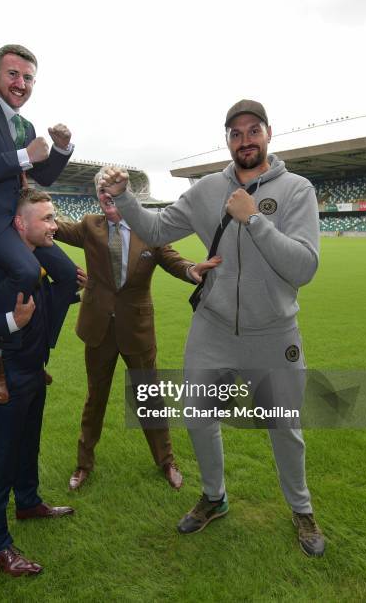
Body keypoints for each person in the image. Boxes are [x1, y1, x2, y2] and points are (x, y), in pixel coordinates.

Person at [100, 101, 325, 557]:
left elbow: (303, 267)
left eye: (253, 130)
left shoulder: (297, 190)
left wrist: (254, 218)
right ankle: (214, 497)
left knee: (284, 427)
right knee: (200, 416)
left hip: (274, 333)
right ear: (228, 140)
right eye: (236, 132)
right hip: (213, 327)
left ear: (268, 134)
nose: (246, 139)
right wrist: (125, 197)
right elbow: (157, 228)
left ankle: (301, 510)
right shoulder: (206, 190)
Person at [55, 167, 221, 491]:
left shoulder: (149, 228)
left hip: (137, 328)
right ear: (98, 196)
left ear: (124, 193)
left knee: (150, 398)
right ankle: (83, 464)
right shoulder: (90, 226)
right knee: (95, 398)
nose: (106, 196)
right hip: (98, 328)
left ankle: (166, 461)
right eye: (101, 191)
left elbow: (173, 259)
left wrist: (191, 269)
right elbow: (55, 230)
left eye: (111, 189)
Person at [0, 189, 76, 577]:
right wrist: (12, 322)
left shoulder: (36, 258)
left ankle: (27, 502)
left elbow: (47, 296)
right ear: (20, 224)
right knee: (2, 459)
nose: (55, 225)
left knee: (28, 443)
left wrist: (66, 294)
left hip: (32, 367)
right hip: (3, 374)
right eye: (47, 219)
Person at [0, 43, 78, 391]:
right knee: (25, 270)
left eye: (28, 78)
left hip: (19, 221)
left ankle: (35, 357)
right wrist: (24, 155)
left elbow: (44, 177)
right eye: (13, 74)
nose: (21, 83)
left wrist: (62, 148)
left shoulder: (25, 124)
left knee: (67, 275)